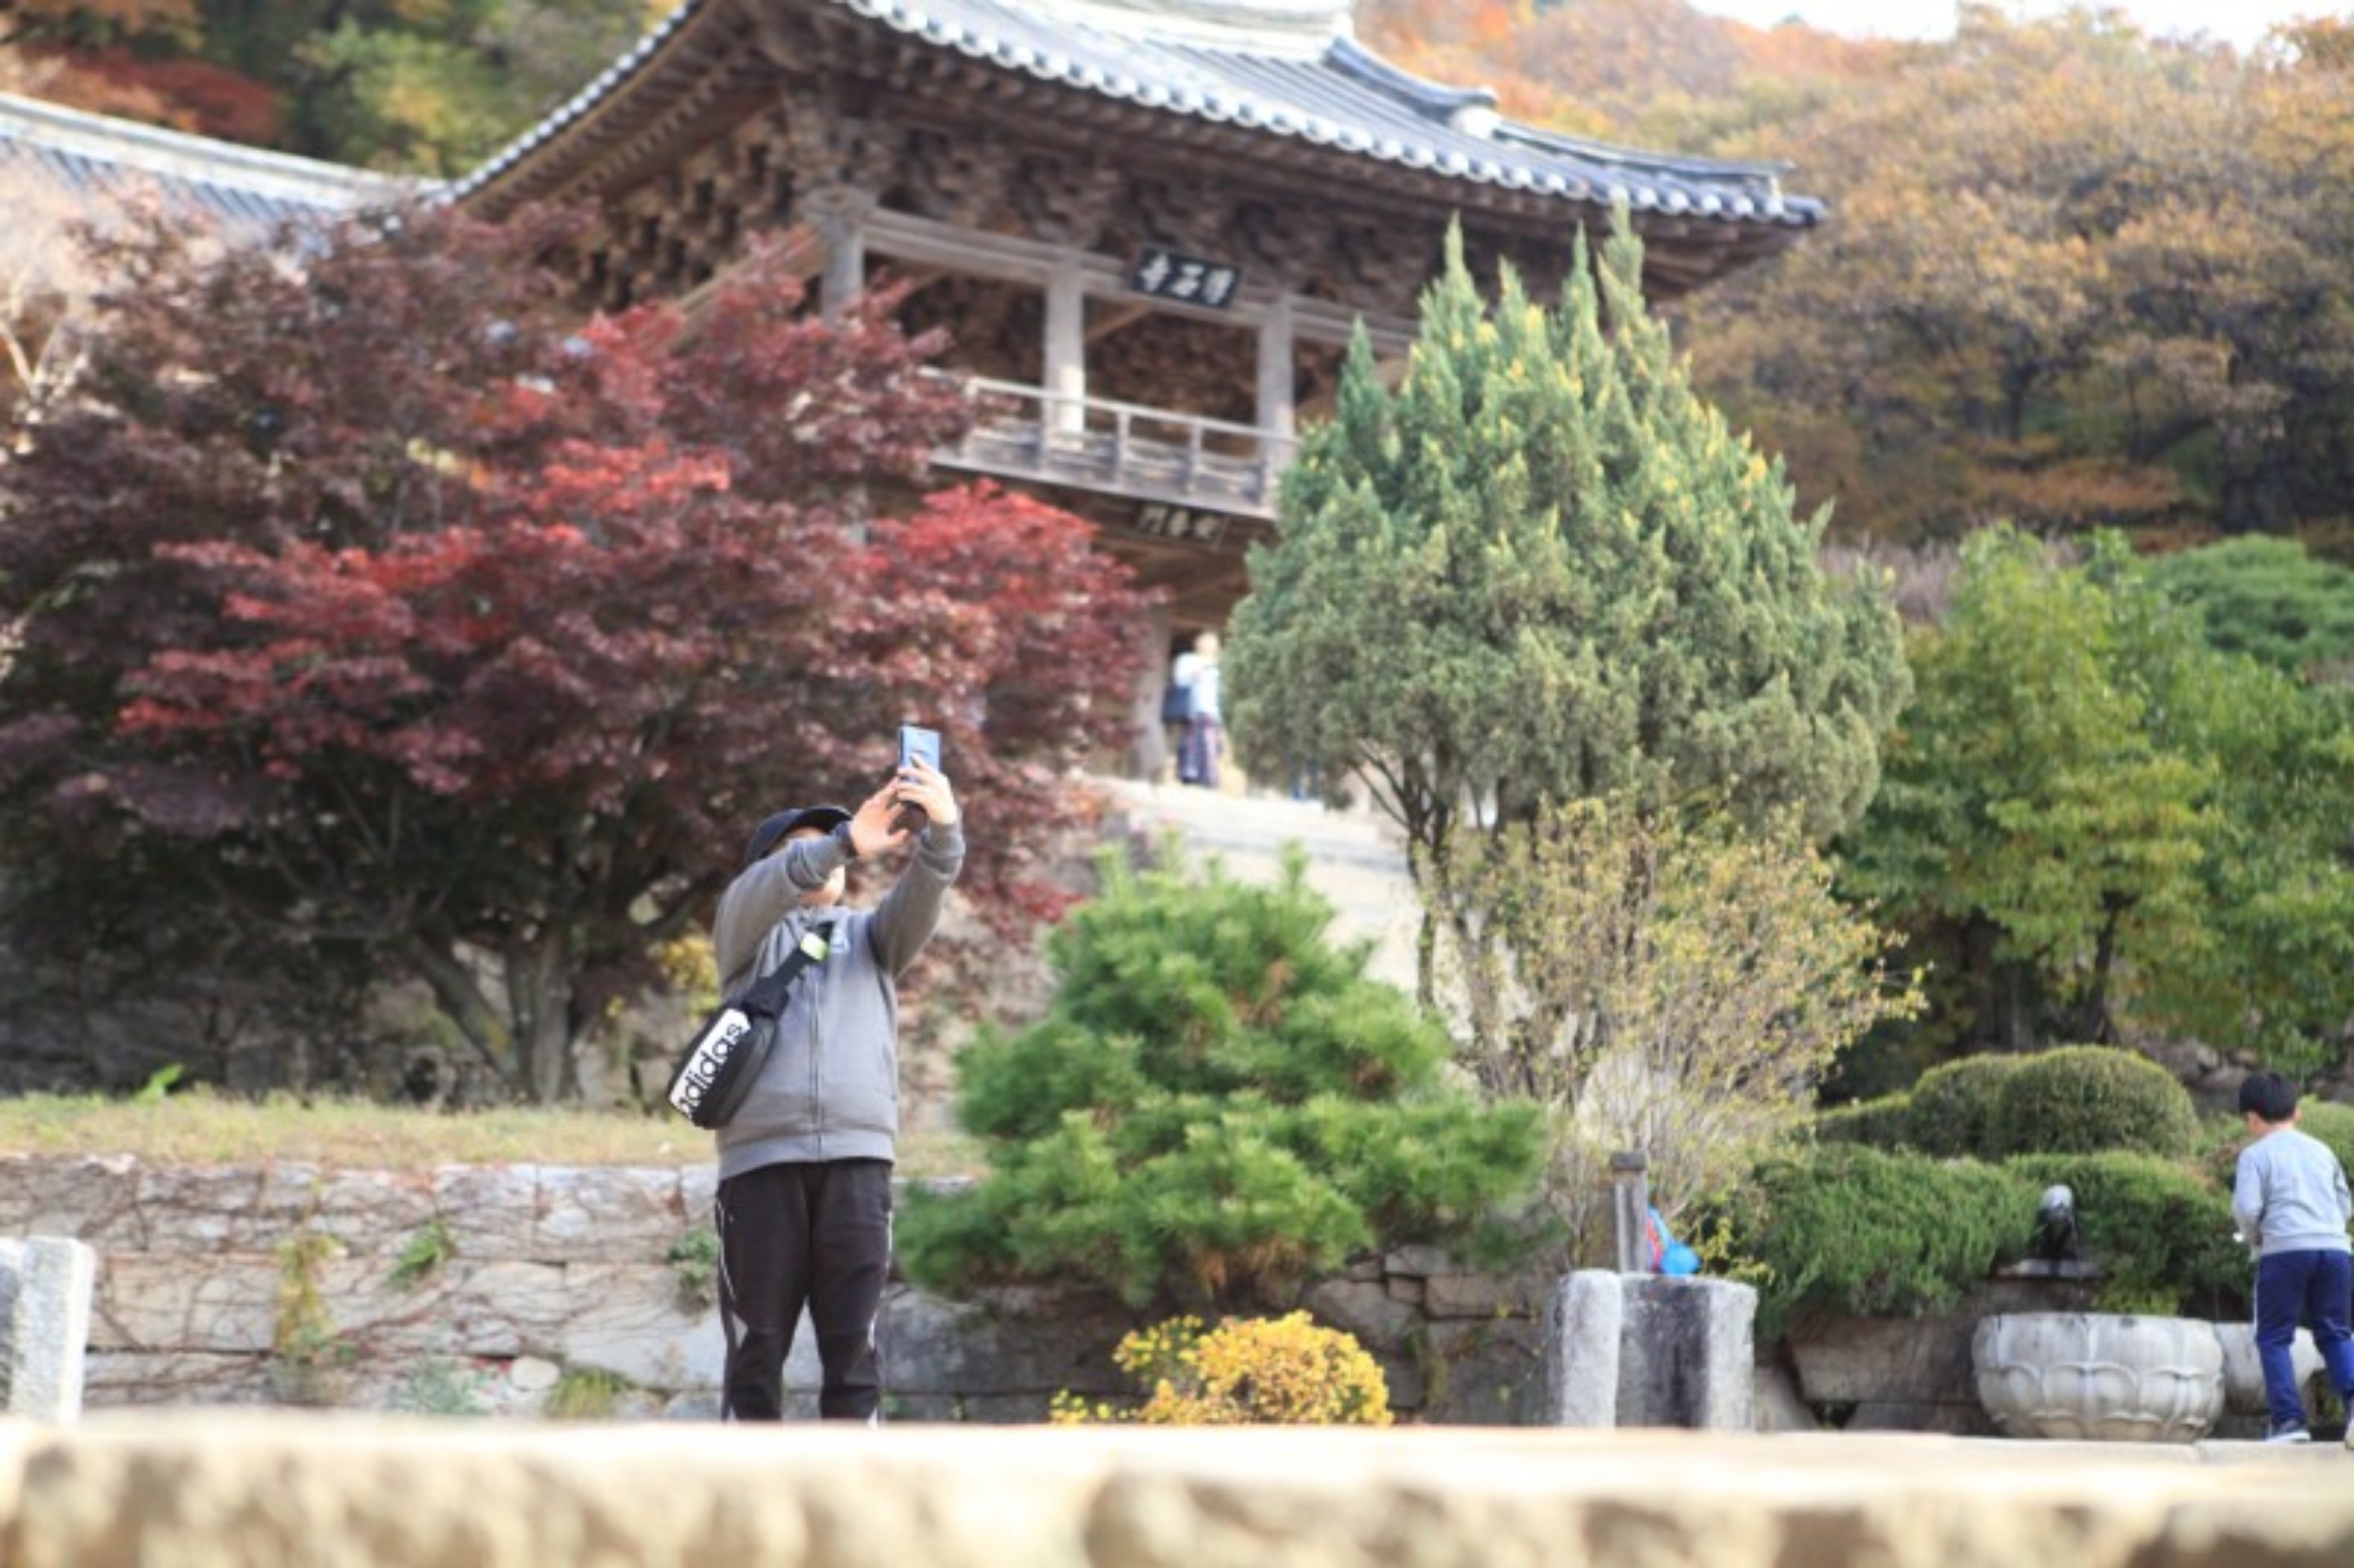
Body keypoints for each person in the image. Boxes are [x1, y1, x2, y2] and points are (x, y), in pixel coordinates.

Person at [706, 757, 964, 1421]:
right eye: (802, 852)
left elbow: (932, 881)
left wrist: (944, 827)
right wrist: (842, 841)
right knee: (757, 1350)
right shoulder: (743, 936)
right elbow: (772, 886)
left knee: (852, 1354)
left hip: (858, 1164)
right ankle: (747, 1512)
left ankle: (856, 1514)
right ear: (768, 869)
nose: (823, 861)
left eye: (831, 849)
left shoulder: (873, 939)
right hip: (761, 1168)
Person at [2231, 1070, 2354, 1447]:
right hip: (2335, 1249)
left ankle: (2288, 1422)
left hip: (2285, 1251)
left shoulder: (2254, 1155)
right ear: (2297, 1112)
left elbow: (2248, 1210)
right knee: (2335, 1332)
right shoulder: (2322, 1151)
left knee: (2273, 1336)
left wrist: (2255, 1239)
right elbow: (2345, 1204)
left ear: (2252, 1118)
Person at [1174, 629, 1223, 790]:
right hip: (1193, 707)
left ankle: (1209, 778)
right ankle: (1188, 775)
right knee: (1190, 742)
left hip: (1214, 710)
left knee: (1211, 743)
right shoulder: (1187, 660)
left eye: (1213, 642)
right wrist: (1202, 668)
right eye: (1206, 642)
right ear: (1198, 644)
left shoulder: (1221, 664)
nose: (1209, 646)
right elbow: (1180, 681)